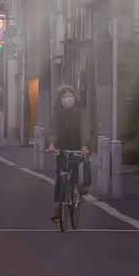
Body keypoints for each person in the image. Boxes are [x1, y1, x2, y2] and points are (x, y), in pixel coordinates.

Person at [47, 84, 91, 223]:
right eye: (65, 96)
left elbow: (85, 129)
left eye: (70, 96)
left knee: (77, 170)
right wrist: (52, 143)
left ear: (74, 98)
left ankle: (78, 193)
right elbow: (53, 130)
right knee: (60, 178)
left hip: (78, 148)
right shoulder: (57, 114)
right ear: (60, 99)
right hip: (62, 149)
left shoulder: (81, 112)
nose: (68, 99)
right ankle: (57, 211)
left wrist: (84, 145)